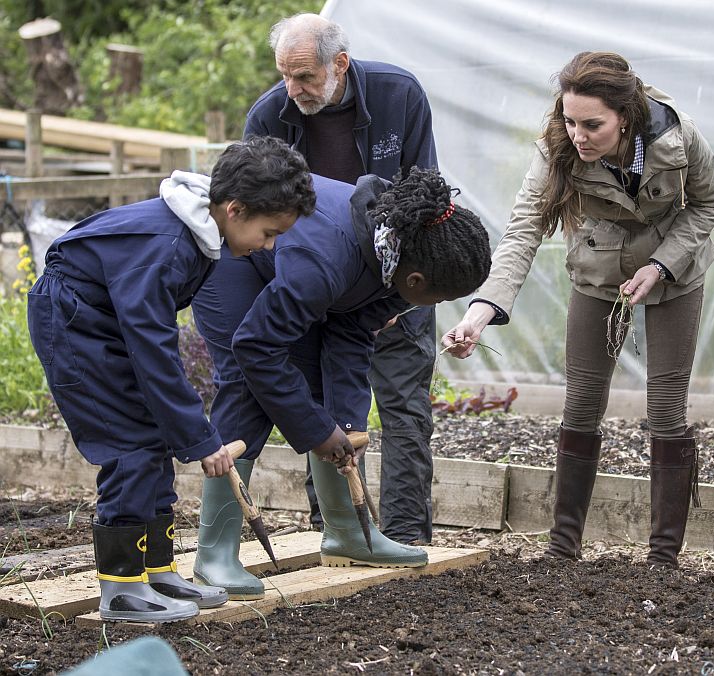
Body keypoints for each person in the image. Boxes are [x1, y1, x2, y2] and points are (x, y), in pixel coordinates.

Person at [443, 52, 714, 568]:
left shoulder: (678, 138)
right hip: (598, 269)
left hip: (674, 273)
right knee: (582, 402)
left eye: (592, 124)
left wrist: (661, 266)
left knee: (666, 408)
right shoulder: (557, 149)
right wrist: (479, 313)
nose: (578, 134)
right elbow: (525, 228)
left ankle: (663, 562)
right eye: (570, 121)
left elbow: (710, 202)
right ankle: (561, 549)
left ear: (627, 116)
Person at [26, 136, 316, 622]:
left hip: (105, 317)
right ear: (235, 209)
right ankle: (121, 588)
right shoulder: (170, 245)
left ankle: (157, 569)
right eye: (268, 233)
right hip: (73, 320)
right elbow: (153, 350)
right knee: (130, 442)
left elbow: (153, 342)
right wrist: (200, 438)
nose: (270, 246)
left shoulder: (200, 236)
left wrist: (185, 433)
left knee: (155, 438)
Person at [192, 167, 491, 597]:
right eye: (439, 299)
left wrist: (345, 425)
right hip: (232, 258)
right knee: (246, 389)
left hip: (289, 269)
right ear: (416, 283)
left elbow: (351, 334)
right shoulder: (329, 259)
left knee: (317, 385)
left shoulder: (399, 251)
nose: (437, 306)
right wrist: (318, 433)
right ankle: (214, 555)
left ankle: (348, 535)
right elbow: (256, 347)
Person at [221, 12, 439, 545]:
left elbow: (427, 195)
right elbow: (253, 218)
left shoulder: (398, 95)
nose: (292, 90)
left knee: (403, 403)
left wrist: (399, 293)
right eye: (285, 76)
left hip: (396, 278)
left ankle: (407, 536)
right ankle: (342, 531)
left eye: (305, 77)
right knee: (323, 402)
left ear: (339, 64)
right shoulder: (269, 115)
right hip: (313, 280)